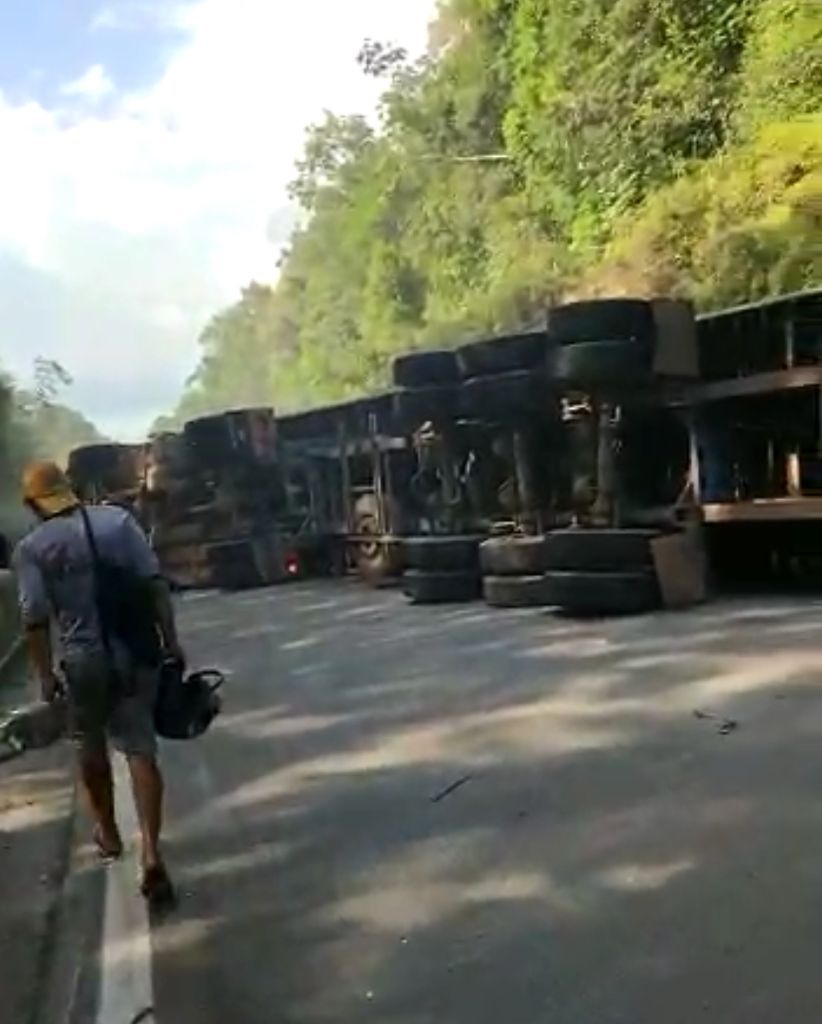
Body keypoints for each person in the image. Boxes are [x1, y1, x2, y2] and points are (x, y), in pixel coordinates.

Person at [13, 460, 185, 907]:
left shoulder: (33, 549)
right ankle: (151, 851)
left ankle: (108, 834)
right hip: (134, 652)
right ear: (68, 491)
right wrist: (171, 642)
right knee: (140, 748)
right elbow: (155, 585)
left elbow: (34, 618)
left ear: (34, 504)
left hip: (82, 662)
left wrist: (46, 676)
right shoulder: (117, 522)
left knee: (90, 749)